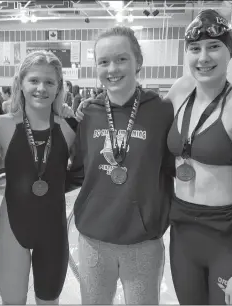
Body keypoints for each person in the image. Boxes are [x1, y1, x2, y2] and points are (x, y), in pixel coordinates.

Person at [165, 9, 232, 305]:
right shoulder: (181, 90)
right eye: (195, 49)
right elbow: (143, 120)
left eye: (214, 47)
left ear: (230, 52)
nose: (203, 57)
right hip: (183, 232)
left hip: (226, 237)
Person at [72, 26, 174, 304]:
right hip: (94, 238)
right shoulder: (88, 113)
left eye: (121, 59)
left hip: (142, 241)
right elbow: (79, 169)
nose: (112, 69)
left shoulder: (162, 110)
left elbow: (170, 169)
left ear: (138, 61)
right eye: (103, 62)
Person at [0, 50, 76, 305]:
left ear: (59, 87)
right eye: (34, 81)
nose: (41, 88)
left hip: (53, 231)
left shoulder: (69, 128)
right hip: (12, 228)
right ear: (21, 83)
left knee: (49, 301)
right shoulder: (1, 125)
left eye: (49, 82)